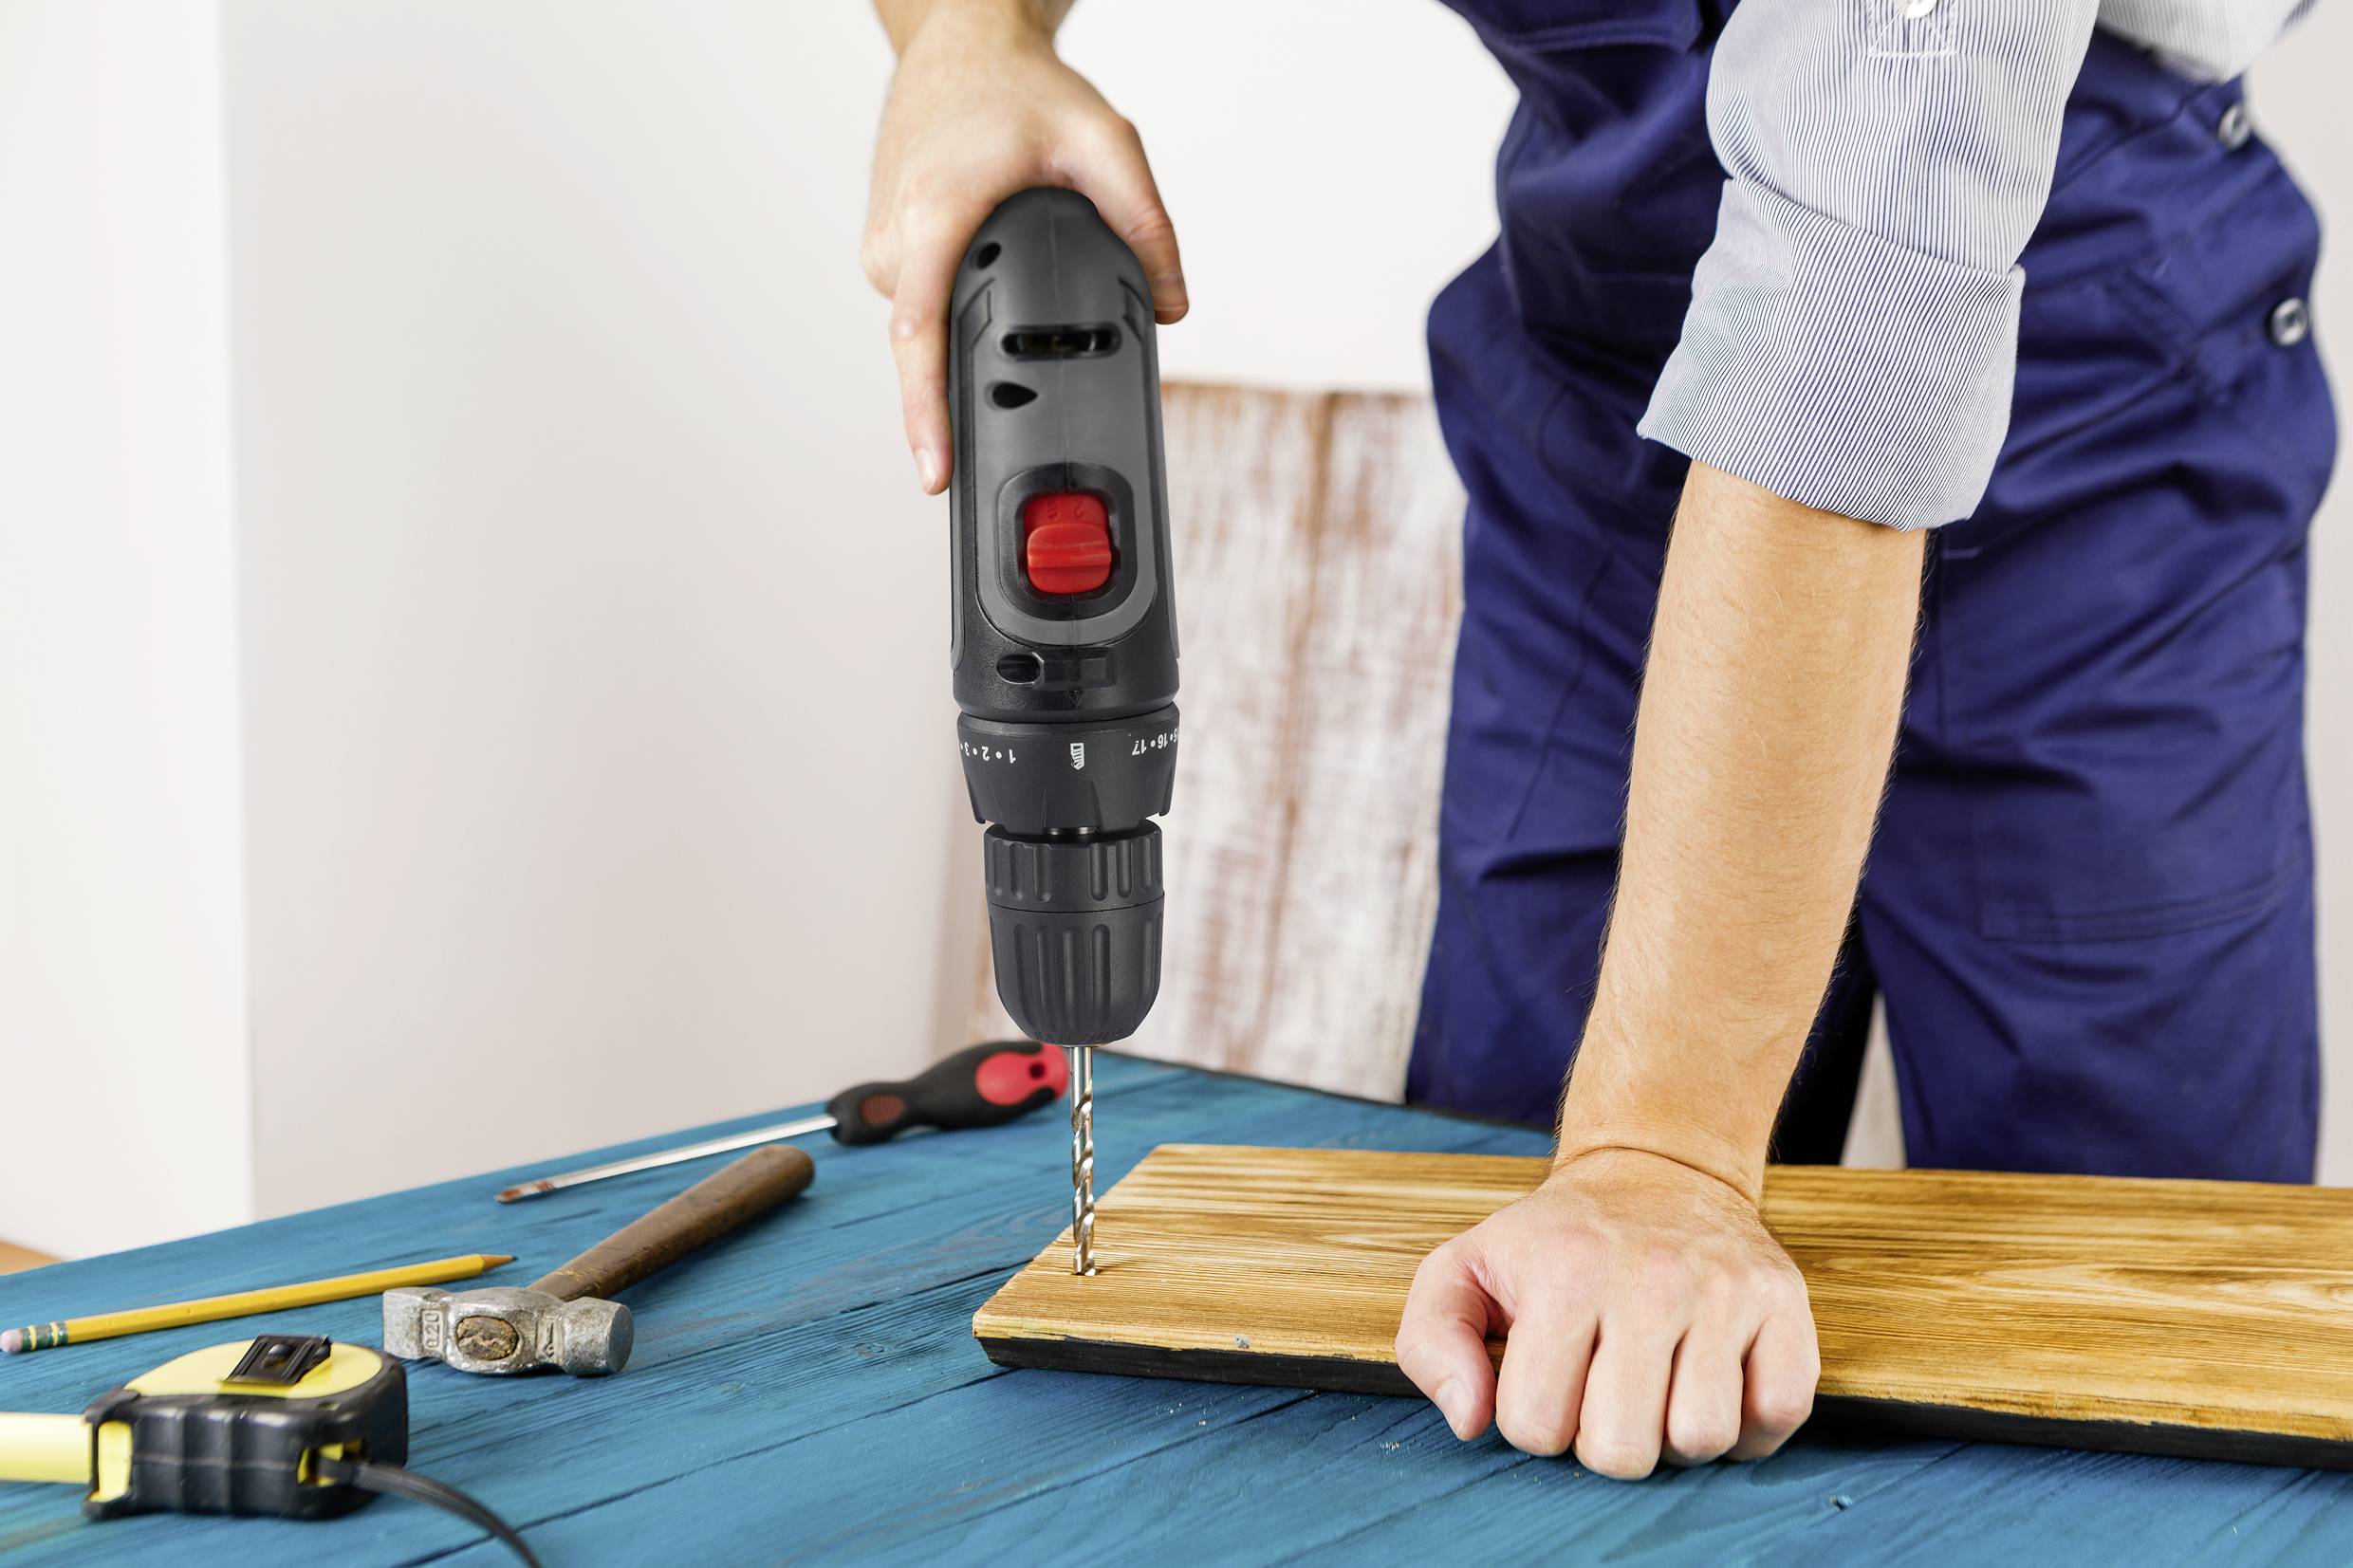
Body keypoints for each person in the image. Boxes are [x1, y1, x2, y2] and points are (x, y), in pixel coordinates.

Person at [862, 0, 2334, 1479]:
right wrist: (970, 42)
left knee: (2132, 1338)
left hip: (2093, 428)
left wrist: (1666, 1155)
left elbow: (1852, 316)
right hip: (1607, 406)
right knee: (1523, 1318)